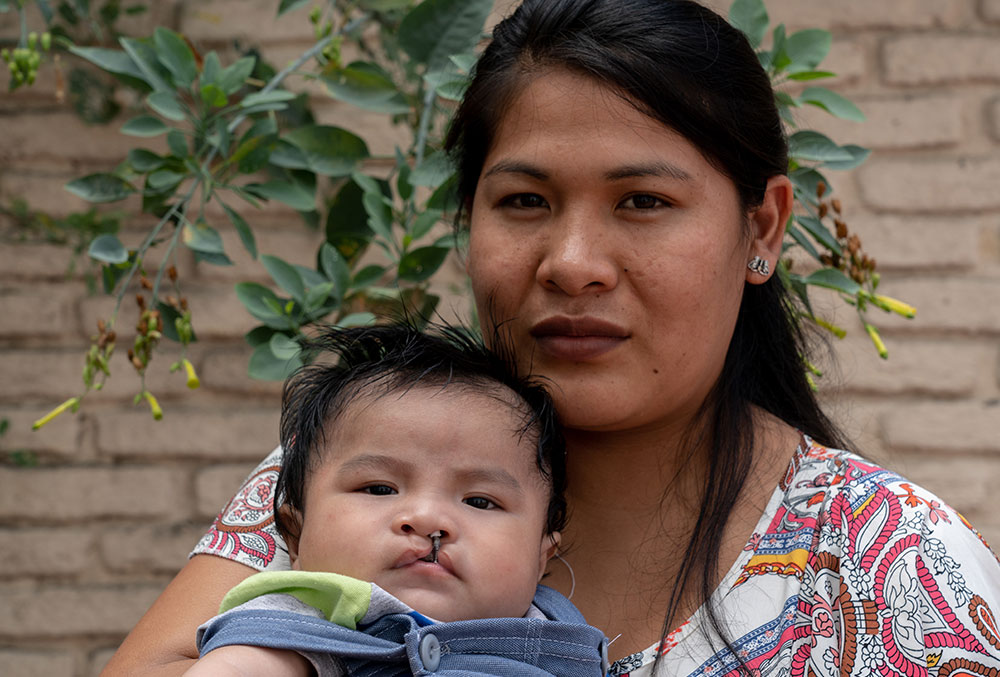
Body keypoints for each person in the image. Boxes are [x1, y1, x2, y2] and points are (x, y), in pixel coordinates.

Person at [103, 1, 1000, 675]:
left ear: (762, 230)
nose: (572, 264)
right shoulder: (367, 472)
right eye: (524, 201)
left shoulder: (894, 568)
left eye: (643, 202)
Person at [183, 324, 607, 676]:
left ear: (541, 556)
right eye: (380, 489)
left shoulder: (555, 630)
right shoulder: (302, 624)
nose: (428, 520)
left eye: (479, 501)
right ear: (294, 536)